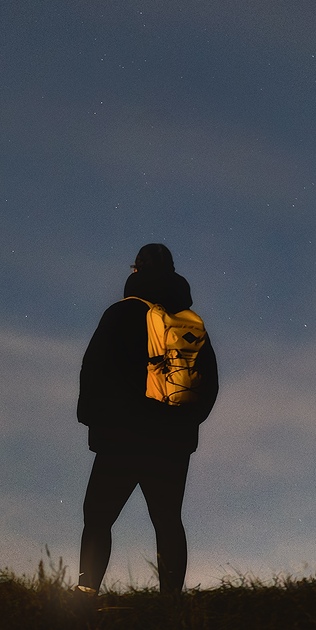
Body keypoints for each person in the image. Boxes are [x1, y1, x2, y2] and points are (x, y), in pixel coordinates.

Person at [74, 242, 218, 595]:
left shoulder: (120, 313)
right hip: (172, 439)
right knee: (168, 520)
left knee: (97, 518)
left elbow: (94, 368)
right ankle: (170, 602)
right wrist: (187, 424)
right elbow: (209, 381)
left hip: (121, 436)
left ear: (136, 270)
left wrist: (92, 417)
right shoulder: (187, 322)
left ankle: (86, 593)